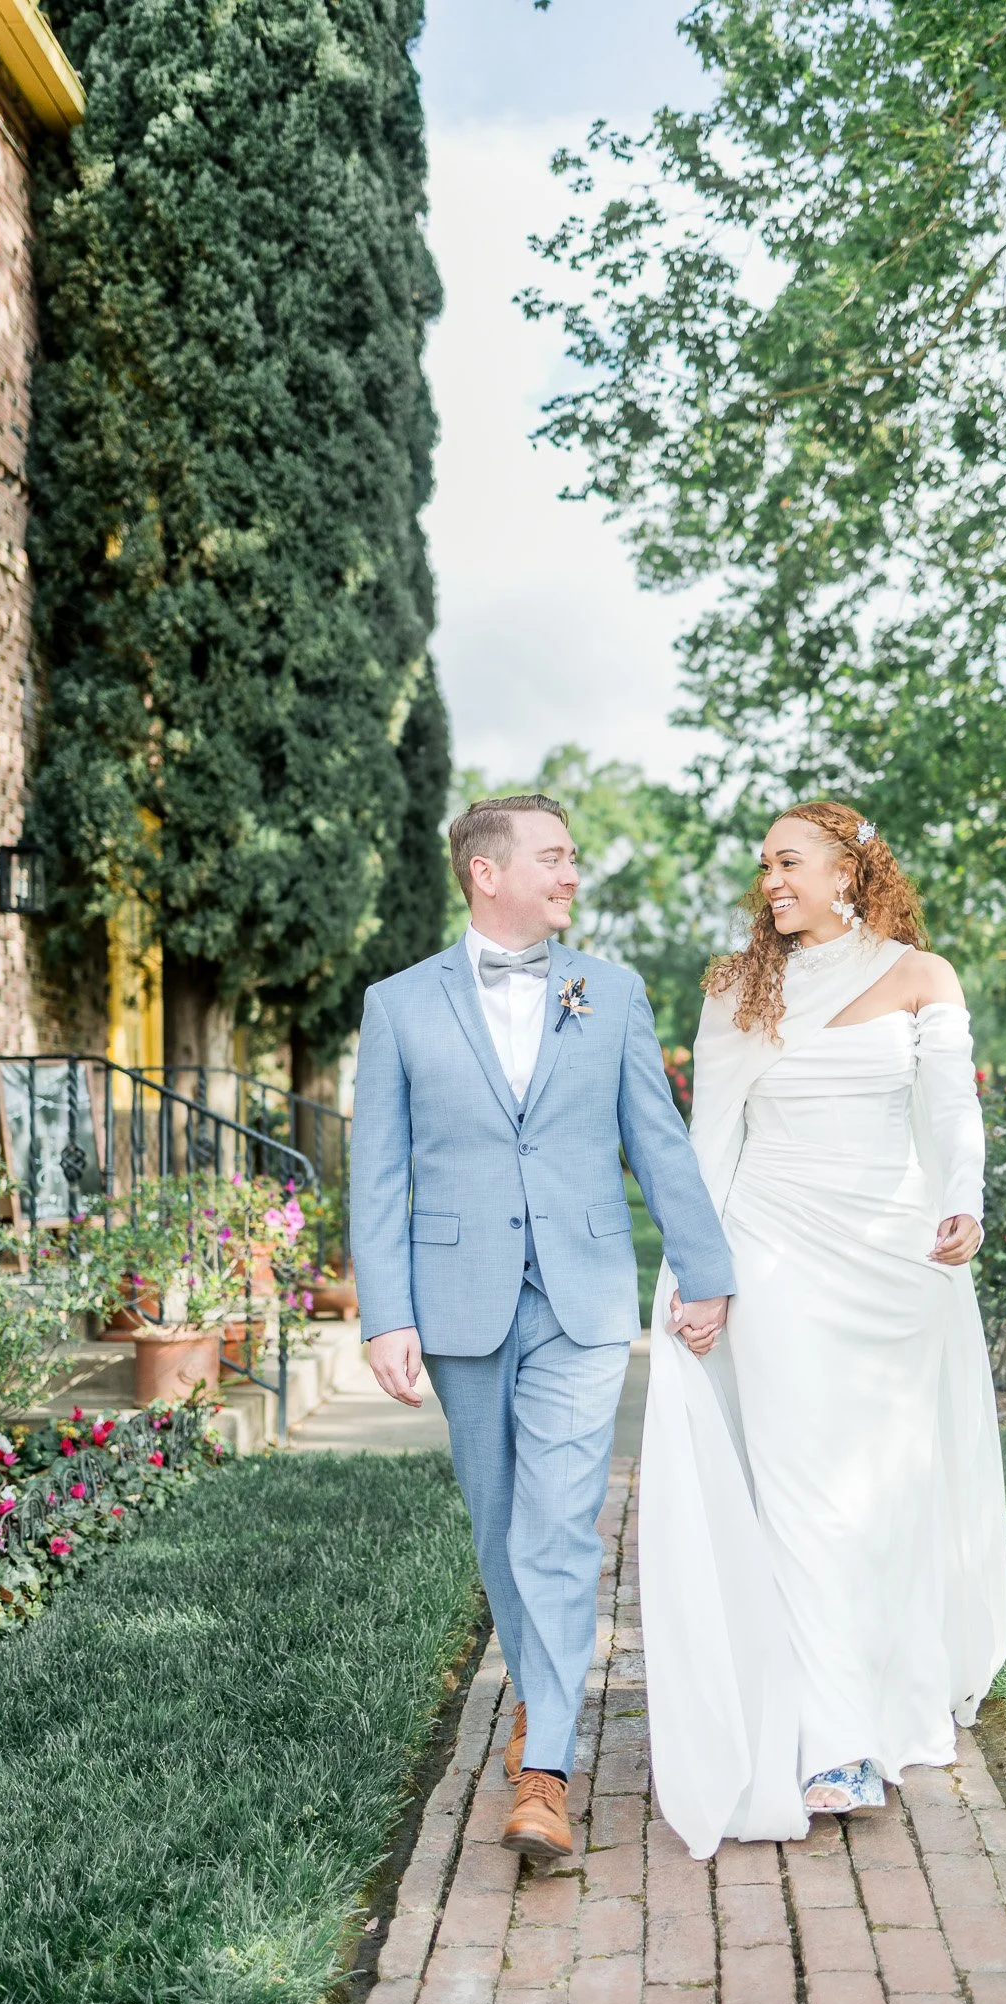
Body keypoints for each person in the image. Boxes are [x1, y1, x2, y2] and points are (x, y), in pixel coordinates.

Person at [350, 793, 734, 1864]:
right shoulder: (398, 1004)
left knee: (559, 1524)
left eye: (571, 859)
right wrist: (388, 1312)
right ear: (488, 871)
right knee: (500, 1528)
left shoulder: (607, 991)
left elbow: (654, 1135)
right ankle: (543, 1706)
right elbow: (376, 1172)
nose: (572, 875)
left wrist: (703, 1267)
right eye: (555, 857)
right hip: (460, 1299)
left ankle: (547, 1767)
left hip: (582, 1295)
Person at [639, 800, 1006, 1857]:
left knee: (882, 1490)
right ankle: (832, 1738)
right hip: (774, 1251)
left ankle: (887, 1693)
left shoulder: (920, 977)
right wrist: (697, 1274)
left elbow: (950, 1112)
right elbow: (710, 1142)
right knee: (801, 1485)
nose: (770, 880)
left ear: (850, 869)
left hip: (893, 1260)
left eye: (788, 860)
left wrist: (965, 1197)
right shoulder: (734, 986)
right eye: (763, 864)